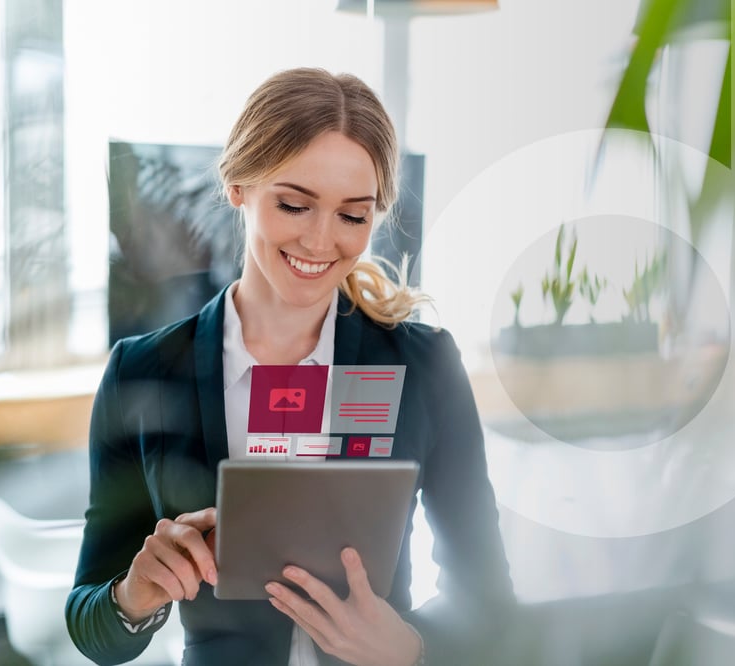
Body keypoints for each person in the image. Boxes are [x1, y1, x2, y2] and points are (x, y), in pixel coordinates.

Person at [66, 67, 515, 666]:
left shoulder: (424, 365)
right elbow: (91, 624)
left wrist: (411, 648)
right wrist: (135, 593)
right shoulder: (142, 371)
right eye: (295, 205)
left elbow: (488, 601)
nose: (321, 242)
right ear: (239, 186)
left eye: (352, 216)